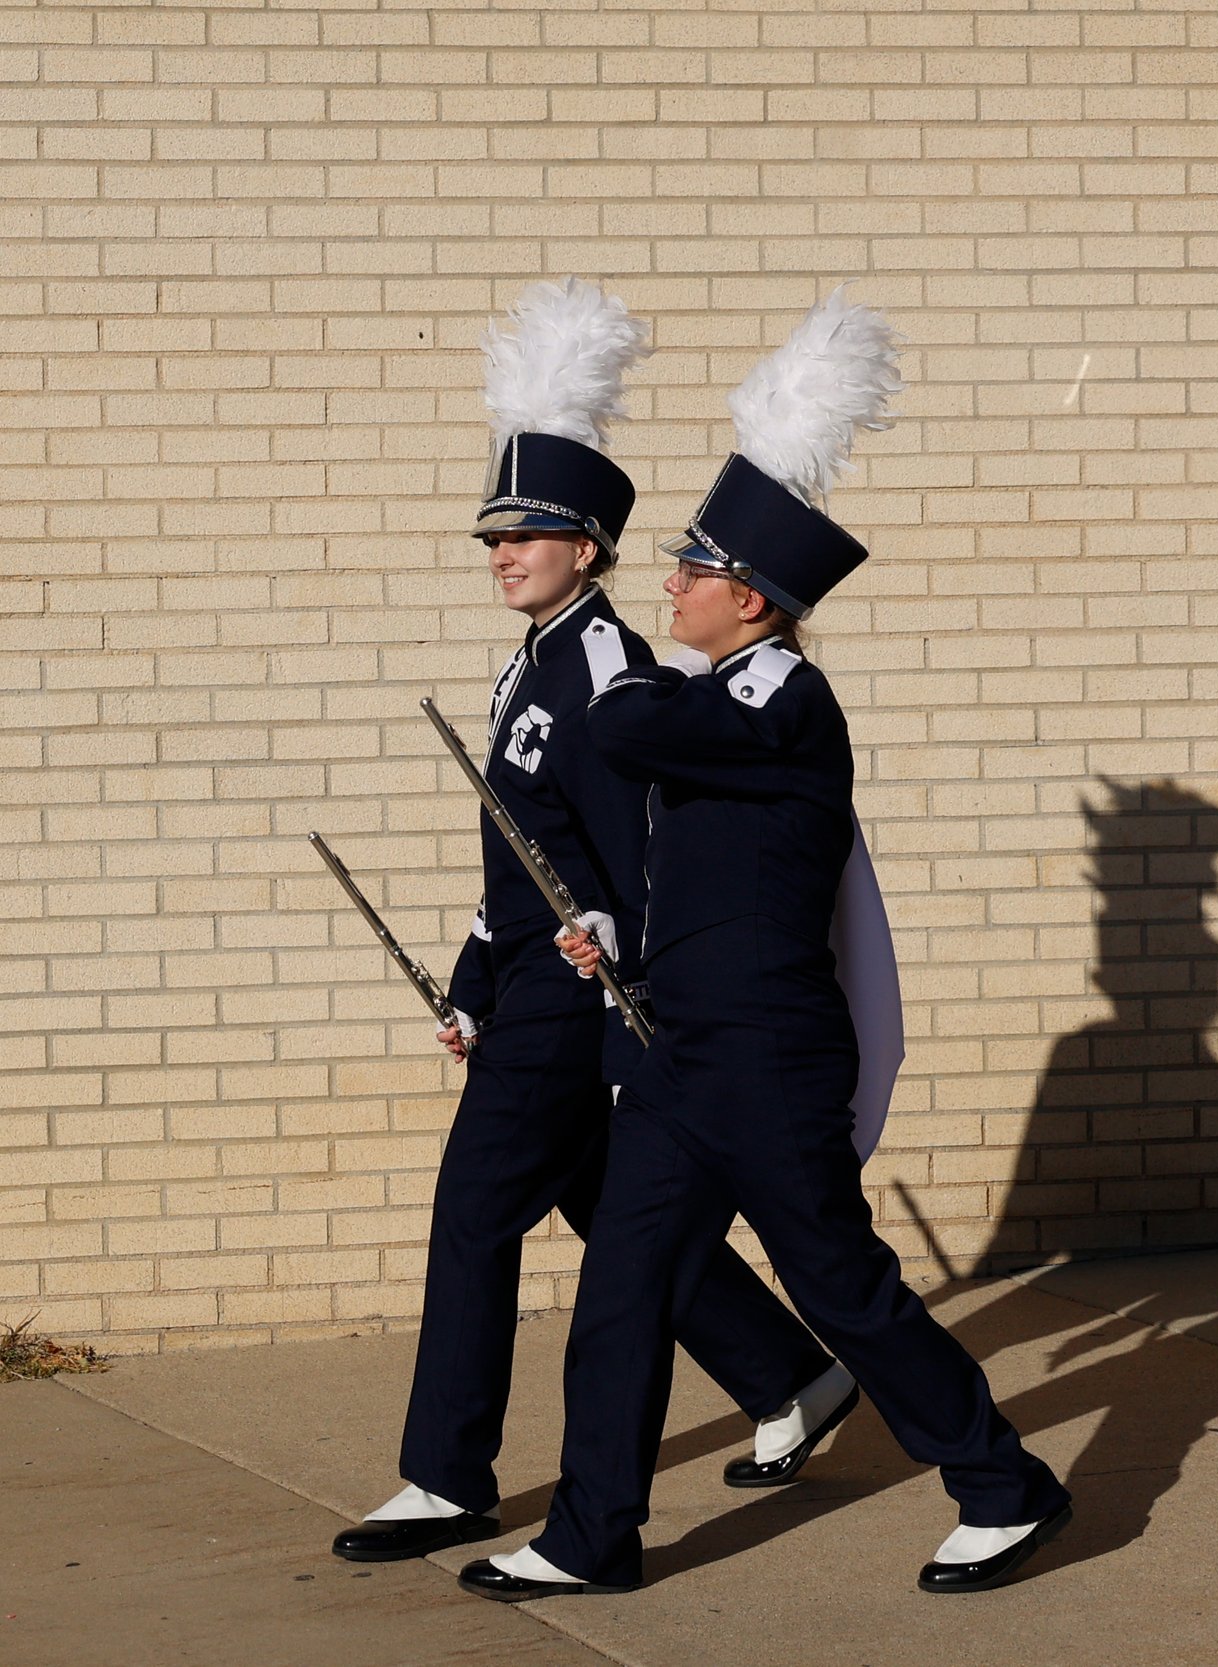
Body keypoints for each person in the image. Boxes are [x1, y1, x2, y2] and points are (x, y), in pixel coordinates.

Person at [458, 289, 1070, 1603]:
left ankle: (1004, 1480)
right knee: (621, 1287)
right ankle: (591, 1530)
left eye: (687, 568)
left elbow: (622, 731)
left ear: (747, 596)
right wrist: (611, 927)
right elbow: (679, 852)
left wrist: (600, 660)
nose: (663, 581)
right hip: (682, 1053)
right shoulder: (706, 692)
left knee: (842, 1287)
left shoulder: (783, 700)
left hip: (774, 1059)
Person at [335, 281, 849, 1565]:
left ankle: (447, 1474)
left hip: (578, 994)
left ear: (589, 545)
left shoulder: (608, 666)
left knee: (474, 1211)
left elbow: (633, 853)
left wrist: (607, 955)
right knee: (610, 1204)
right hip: (526, 983)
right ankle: (790, 1367)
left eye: (531, 535)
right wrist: (470, 981)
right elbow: (519, 857)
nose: (503, 554)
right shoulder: (529, 661)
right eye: (493, 538)